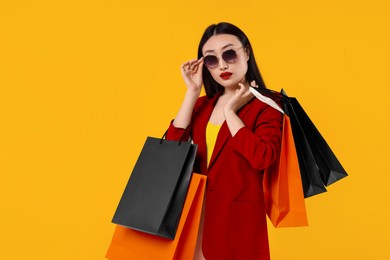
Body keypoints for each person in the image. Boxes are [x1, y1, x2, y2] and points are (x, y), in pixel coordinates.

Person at [166, 22, 283, 260]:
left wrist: (231, 113)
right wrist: (191, 92)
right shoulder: (202, 105)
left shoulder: (269, 105)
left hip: (236, 223)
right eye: (211, 59)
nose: (222, 65)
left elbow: (263, 157)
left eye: (229, 54)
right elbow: (170, 151)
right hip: (193, 221)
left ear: (246, 52)